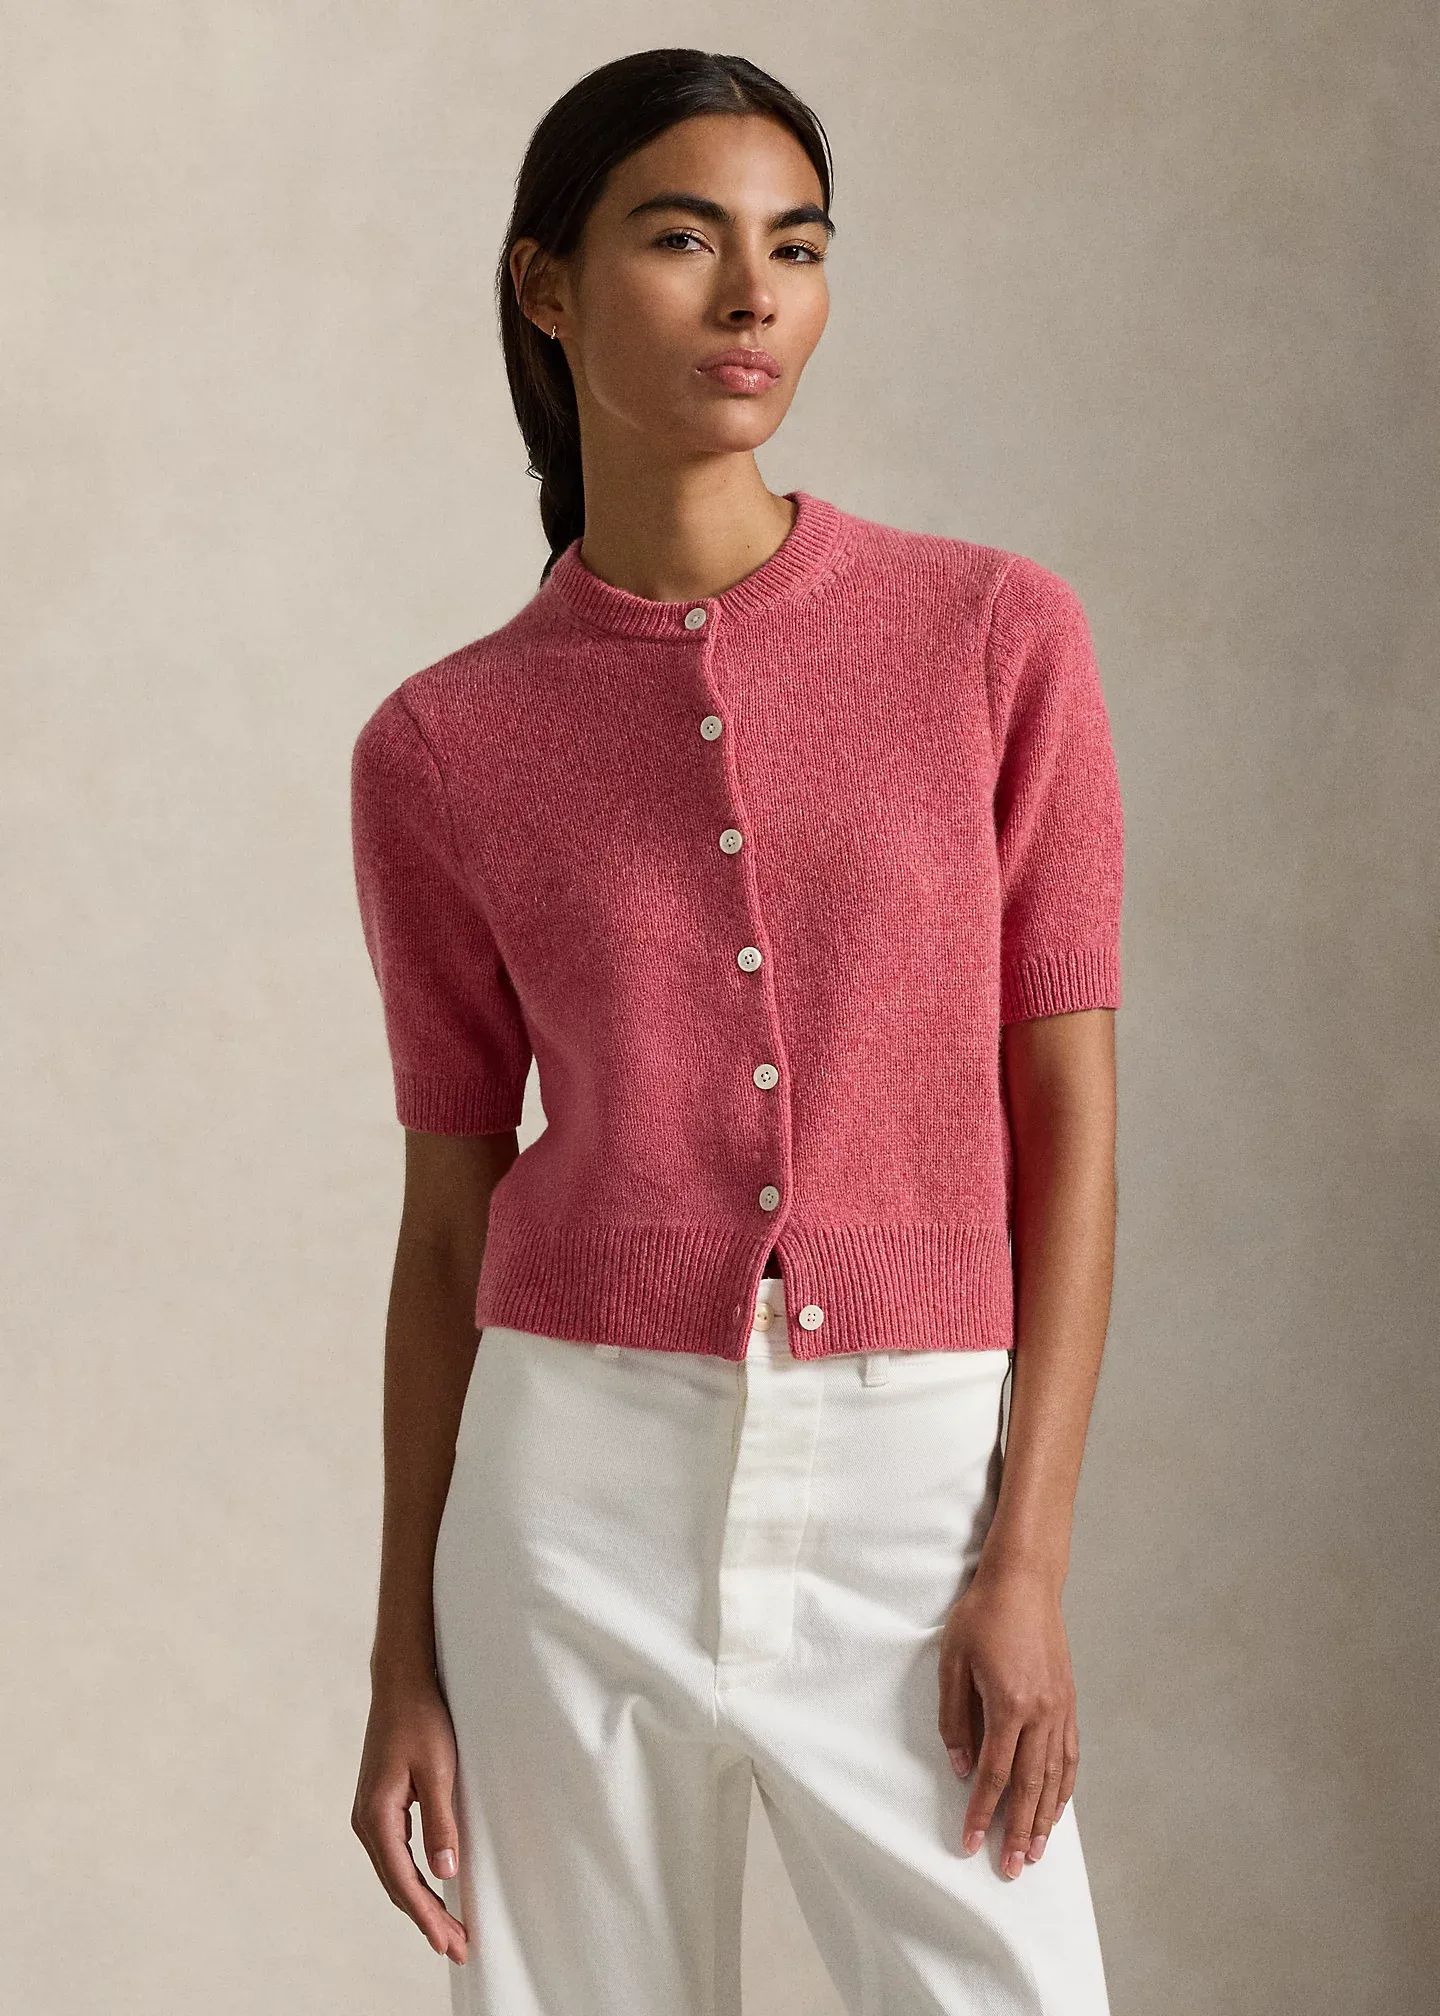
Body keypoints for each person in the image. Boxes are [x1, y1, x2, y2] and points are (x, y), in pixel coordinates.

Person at [347, 47, 1123, 2016]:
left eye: (798, 246)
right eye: (685, 239)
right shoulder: (442, 743)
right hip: (569, 1493)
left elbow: (1068, 1117)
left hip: (916, 1480)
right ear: (548, 285)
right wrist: (401, 1652)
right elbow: (445, 1224)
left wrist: (1025, 1560)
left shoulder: (992, 636)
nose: (754, 296)